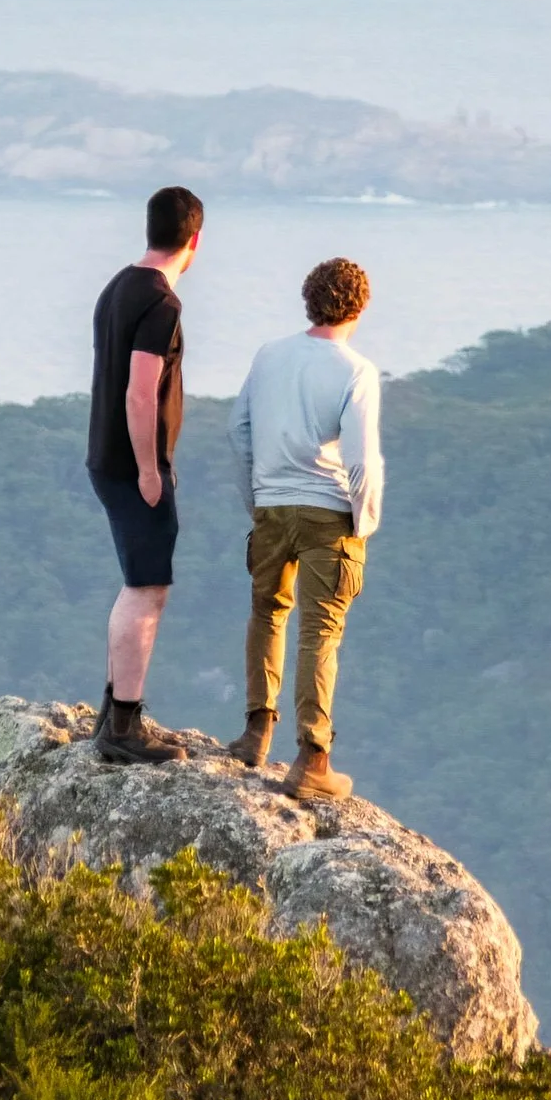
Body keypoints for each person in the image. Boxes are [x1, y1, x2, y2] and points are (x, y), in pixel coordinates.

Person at [225, 256, 382, 804]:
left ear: (308, 300)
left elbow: (238, 430)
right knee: (320, 633)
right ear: (359, 308)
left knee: (267, 612)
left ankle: (254, 733)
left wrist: (257, 500)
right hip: (327, 514)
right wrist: (363, 522)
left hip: (270, 505)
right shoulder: (354, 370)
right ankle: (313, 759)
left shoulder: (269, 356)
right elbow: (361, 461)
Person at [85, 183, 204, 765]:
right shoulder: (162, 303)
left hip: (104, 460)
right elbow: (139, 394)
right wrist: (151, 470)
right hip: (133, 467)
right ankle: (124, 728)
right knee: (147, 588)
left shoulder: (118, 286)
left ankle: (113, 710)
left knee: (135, 581)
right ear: (195, 241)